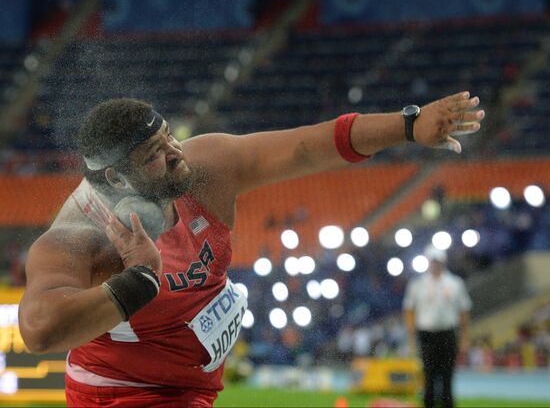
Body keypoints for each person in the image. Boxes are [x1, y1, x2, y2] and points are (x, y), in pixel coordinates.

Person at [19, 92, 484, 407]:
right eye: (153, 155)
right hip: (122, 393)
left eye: (169, 138)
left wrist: (408, 126)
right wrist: (136, 279)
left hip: (193, 389)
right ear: (116, 181)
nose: (175, 153)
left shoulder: (206, 169)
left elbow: (306, 147)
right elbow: (40, 330)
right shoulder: (80, 236)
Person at [403, 245, 472, 408]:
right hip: (426, 334)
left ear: (443, 262)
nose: (435, 265)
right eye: (433, 262)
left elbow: (463, 312)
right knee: (428, 374)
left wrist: (464, 338)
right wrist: (411, 334)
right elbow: (409, 309)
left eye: (438, 262)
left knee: (447, 375)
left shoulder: (455, 283)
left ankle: (447, 404)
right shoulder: (418, 284)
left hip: (447, 333)